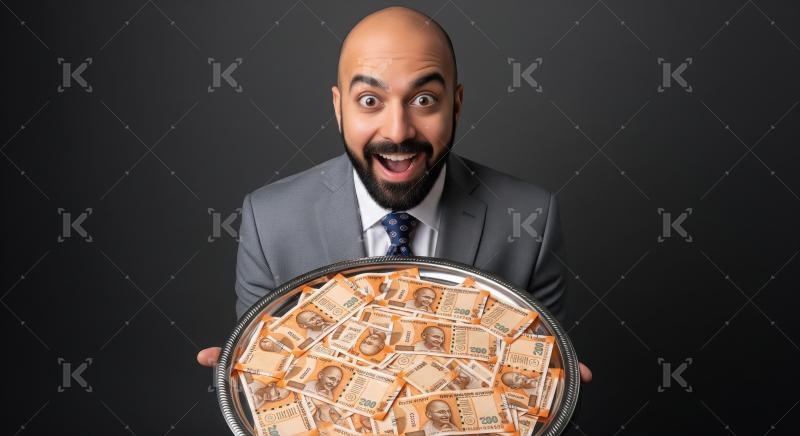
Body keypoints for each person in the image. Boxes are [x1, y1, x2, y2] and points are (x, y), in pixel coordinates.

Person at [197, 5, 591, 384]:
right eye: (370, 101)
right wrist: (248, 380)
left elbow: (537, 385)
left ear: (455, 105)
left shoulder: (530, 221)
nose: (398, 131)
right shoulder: (270, 221)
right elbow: (262, 383)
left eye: (424, 100)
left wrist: (556, 390)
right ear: (339, 108)